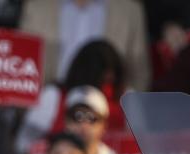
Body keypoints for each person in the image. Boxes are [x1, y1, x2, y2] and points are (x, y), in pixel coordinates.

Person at [19, 0, 151, 91]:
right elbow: (21, 67)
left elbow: (139, 75)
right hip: (48, 107)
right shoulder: (36, 8)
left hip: (108, 109)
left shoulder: (130, 12)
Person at [23, 85, 118, 154]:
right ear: (66, 121)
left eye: (92, 118)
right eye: (77, 116)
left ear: (104, 126)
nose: (84, 125)